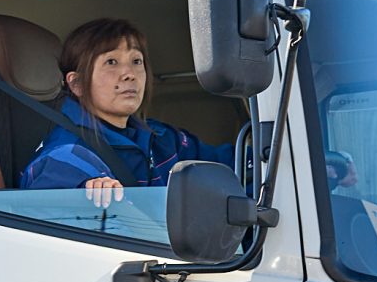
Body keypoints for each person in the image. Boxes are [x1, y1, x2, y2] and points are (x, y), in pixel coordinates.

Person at [19, 18, 233, 206]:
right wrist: (90, 196)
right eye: (111, 62)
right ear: (77, 84)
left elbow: (230, 167)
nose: (129, 74)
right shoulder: (64, 159)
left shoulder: (162, 138)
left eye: (136, 61)